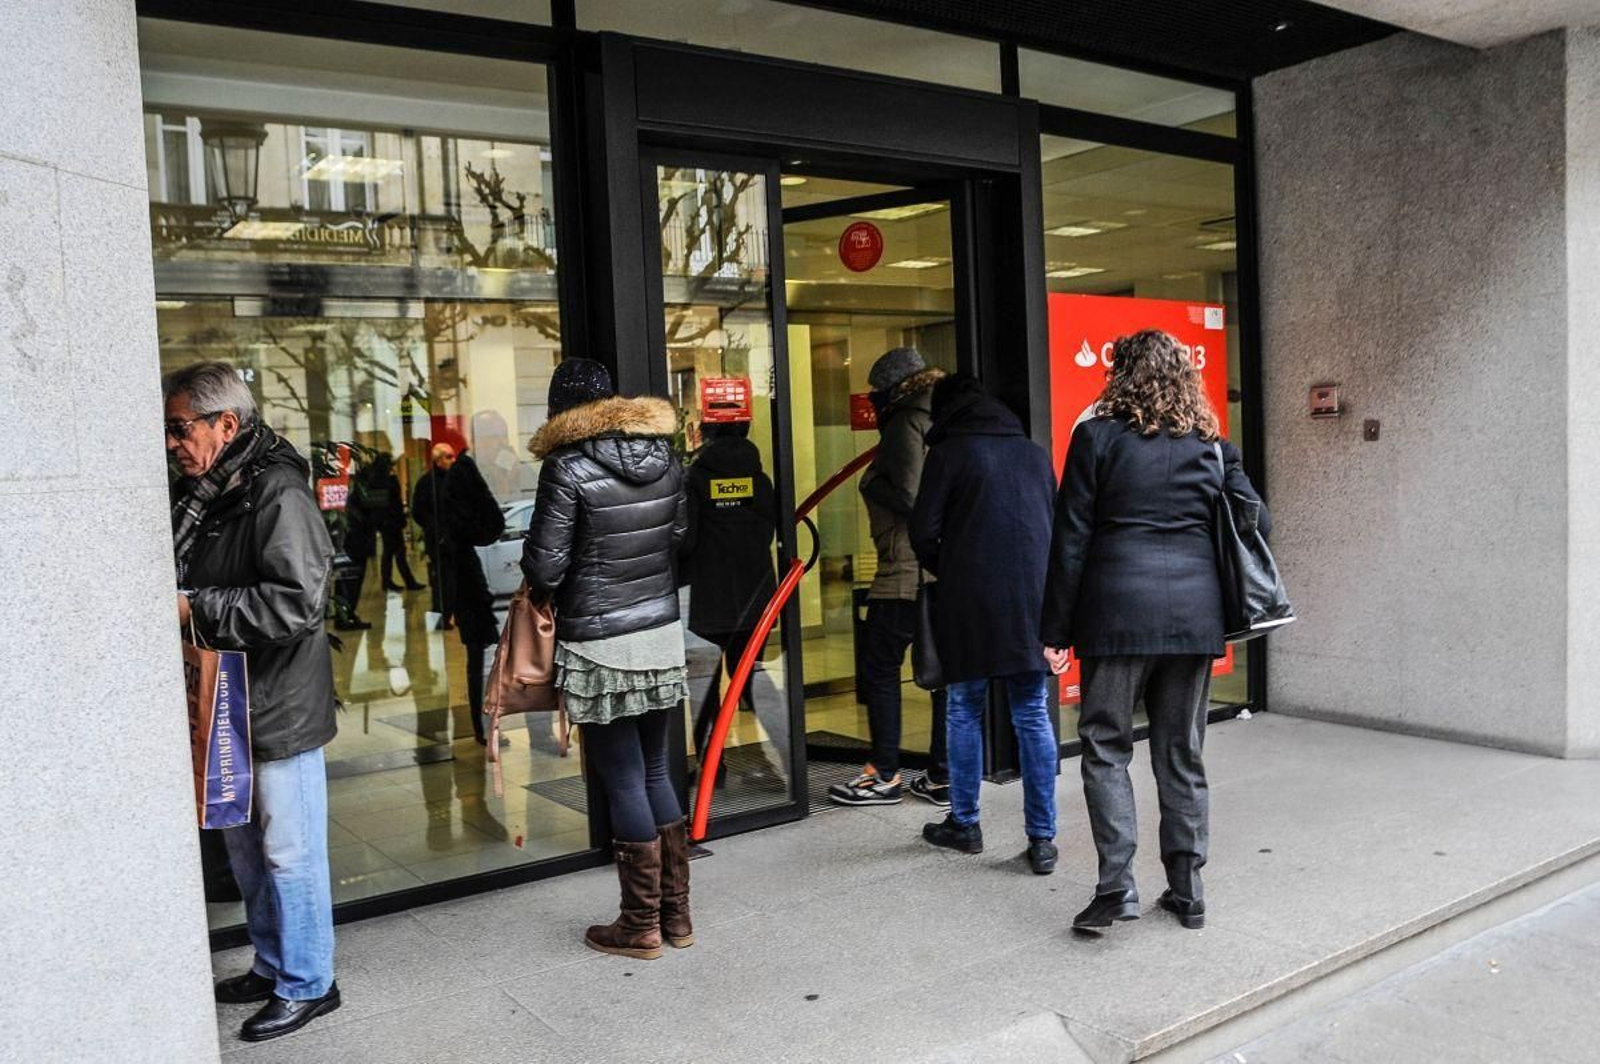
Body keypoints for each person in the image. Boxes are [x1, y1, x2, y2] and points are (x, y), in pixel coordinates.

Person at [1041, 329, 1269, 933]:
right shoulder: (1213, 446)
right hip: (1194, 620)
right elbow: (1257, 521)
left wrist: (1055, 629)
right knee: (1181, 750)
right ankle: (1188, 889)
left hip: (1115, 616)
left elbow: (1070, 542)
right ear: (1184, 378)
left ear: (1118, 374)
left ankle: (1117, 887)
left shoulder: (1096, 438)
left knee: (1105, 746)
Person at [164, 361, 340, 1041]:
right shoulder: (212, 490)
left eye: (181, 429)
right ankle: (272, 965)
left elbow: (298, 602)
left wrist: (193, 607)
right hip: (231, 701)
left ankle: (309, 983)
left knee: (290, 852)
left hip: (278, 706)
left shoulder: (276, 489)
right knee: (246, 853)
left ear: (225, 424)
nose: (173, 443)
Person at [522, 358, 690, 960]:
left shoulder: (567, 467)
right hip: (660, 634)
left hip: (599, 642)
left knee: (622, 777)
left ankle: (638, 925)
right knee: (655, 772)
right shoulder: (667, 458)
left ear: (560, 410)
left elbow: (544, 566)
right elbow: (676, 541)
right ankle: (676, 918)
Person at [909, 375, 1060, 874]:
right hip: (1031, 605)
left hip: (969, 602)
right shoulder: (1034, 454)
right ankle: (1042, 839)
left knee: (963, 710)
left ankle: (965, 823)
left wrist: (952, 567)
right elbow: (1055, 530)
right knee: (1032, 714)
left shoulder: (949, 454)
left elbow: (923, 532)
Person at [829, 347, 950, 808]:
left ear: (891, 390)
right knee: (940, 673)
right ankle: (942, 775)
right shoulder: (942, 415)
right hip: (939, 570)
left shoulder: (906, 420)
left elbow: (913, 496)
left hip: (906, 570)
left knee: (879, 667)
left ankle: (883, 773)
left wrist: (873, 484)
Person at [679, 420, 784, 784]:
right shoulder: (761, 481)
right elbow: (770, 531)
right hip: (756, 594)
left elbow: (687, 539)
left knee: (705, 686)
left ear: (708, 439)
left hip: (712, 595)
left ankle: (712, 767)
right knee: (751, 677)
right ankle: (780, 756)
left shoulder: (696, 480)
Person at [441, 430, 504, 745]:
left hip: (468, 587)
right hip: (470, 589)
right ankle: (482, 724)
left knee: (478, 658)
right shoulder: (462, 477)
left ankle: (483, 723)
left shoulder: (455, 483)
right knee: (479, 658)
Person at [365, 452, 423, 593]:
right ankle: (408, 582)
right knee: (398, 552)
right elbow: (395, 504)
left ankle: (388, 581)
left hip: (383, 523)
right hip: (393, 522)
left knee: (389, 553)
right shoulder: (391, 481)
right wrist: (401, 520)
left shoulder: (373, 481)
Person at [411, 442, 456, 623]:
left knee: (454, 578)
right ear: (438, 461)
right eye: (448, 457)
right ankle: (442, 616)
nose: (452, 460)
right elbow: (418, 512)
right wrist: (434, 528)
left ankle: (453, 613)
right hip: (438, 540)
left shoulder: (454, 479)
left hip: (454, 537)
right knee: (441, 580)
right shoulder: (426, 483)